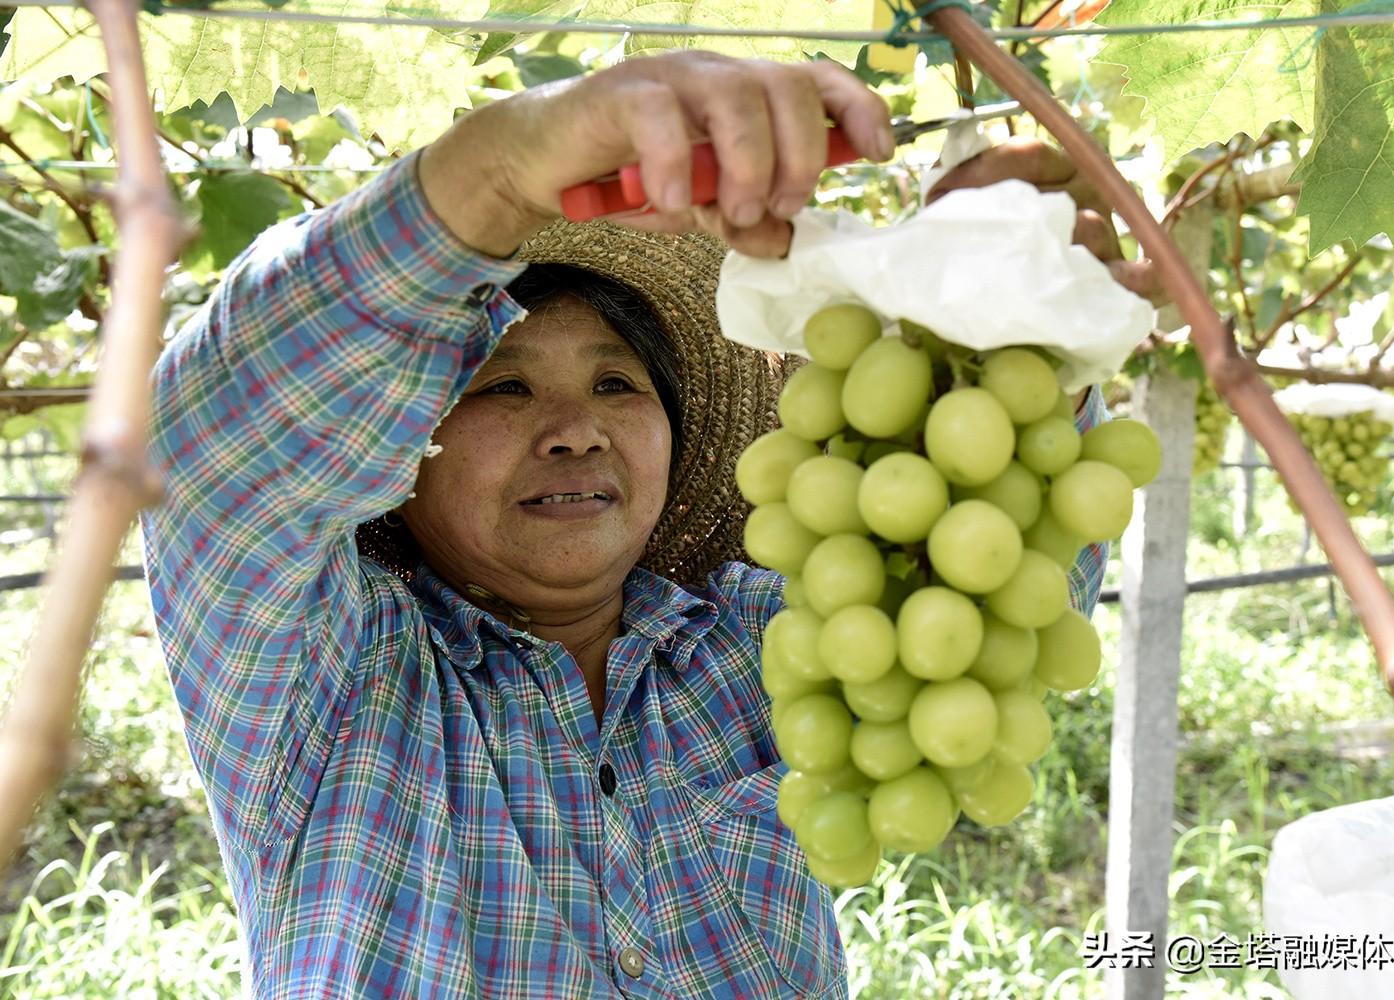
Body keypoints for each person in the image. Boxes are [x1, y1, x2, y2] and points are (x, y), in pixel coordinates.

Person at [142, 50, 1155, 999]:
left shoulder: (757, 644)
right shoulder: (328, 681)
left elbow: (988, 586)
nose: (576, 430)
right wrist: (497, 172)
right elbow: (216, 446)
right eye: (503, 388)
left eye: (618, 382)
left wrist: (995, 328)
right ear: (400, 452)